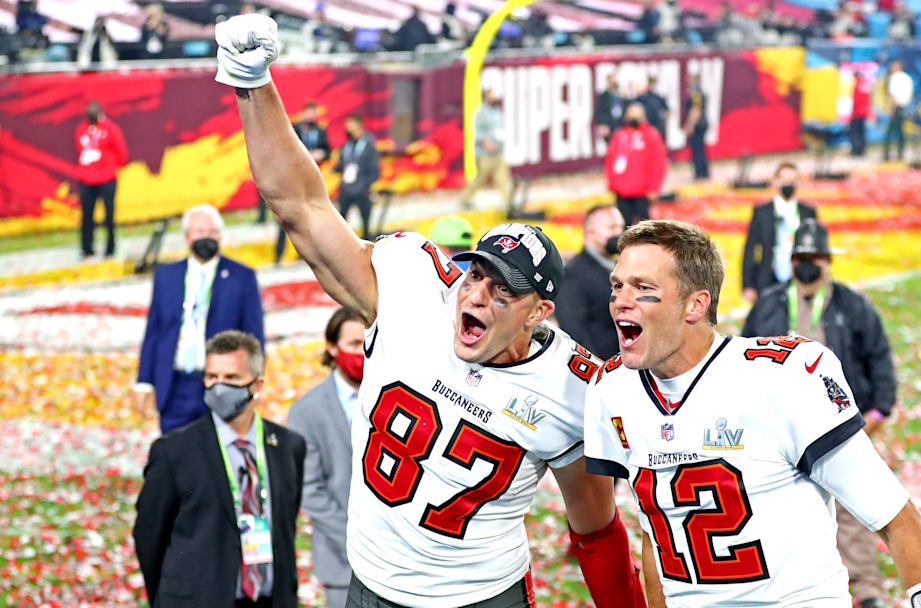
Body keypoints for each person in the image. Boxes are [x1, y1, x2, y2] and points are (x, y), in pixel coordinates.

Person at [213, 14, 647, 608]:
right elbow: (303, 209)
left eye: (503, 292)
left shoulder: (571, 387)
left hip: (482, 594)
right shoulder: (413, 288)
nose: (476, 295)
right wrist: (251, 82)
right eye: (477, 275)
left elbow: (595, 527)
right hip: (371, 582)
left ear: (538, 312)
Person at [585, 219, 921, 608]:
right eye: (618, 285)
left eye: (643, 287)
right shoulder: (613, 389)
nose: (620, 300)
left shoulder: (782, 379)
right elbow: (657, 531)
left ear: (696, 304)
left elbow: (896, 519)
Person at [742, 218, 897, 608]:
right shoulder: (770, 303)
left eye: (815, 258)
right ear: (791, 261)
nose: (808, 265)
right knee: (779, 506)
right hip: (777, 426)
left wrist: (879, 410)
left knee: (851, 506)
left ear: (828, 261)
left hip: (839, 422)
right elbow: (741, 357)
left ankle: (867, 590)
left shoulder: (853, 304)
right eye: (802, 257)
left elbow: (878, 357)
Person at [134, 330, 306, 608]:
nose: (219, 387)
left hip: (269, 599)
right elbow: (149, 535)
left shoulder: (288, 446)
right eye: (212, 377)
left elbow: (285, 527)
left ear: (257, 384)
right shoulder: (174, 452)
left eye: (231, 378)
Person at [136, 204, 265, 432]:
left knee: (219, 458)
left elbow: (253, 334)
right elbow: (154, 330)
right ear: (187, 237)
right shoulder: (166, 276)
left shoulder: (241, 276)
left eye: (213, 232)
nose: (207, 237)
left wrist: (254, 380)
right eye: (200, 232)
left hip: (223, 385)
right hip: (174, 385)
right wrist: (144, 382)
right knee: (175, 457)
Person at [288, 309, 366, 608]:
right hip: (342, 561)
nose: (361, 352)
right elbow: (310, 490)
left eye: (366, 343)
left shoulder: (395, 396)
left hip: (402, 558)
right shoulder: (306, 412)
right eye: (353, 344)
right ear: (332, 347)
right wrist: (361, 541)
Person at [554, 205, 625, 361]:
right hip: (604, 369)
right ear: (590, 233)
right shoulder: (572, 274)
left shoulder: (618, 267)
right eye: (612, 227)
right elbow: (574, 332)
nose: (618, 233)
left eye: (620, 227)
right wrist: (601, 372)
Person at [741, 161, 817, 304]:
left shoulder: (808, 212)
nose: (788, 184)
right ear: (775, 182)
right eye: (784, 180)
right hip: (767, 279)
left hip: (800, 280)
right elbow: (750, 248)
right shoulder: (762, 212)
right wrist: (748, 284)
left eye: (792, 180)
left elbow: (817, 249)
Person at [276, 101, 331, 264]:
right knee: (285, 218)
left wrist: (322, 154)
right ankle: (279, 255)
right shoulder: (294, 128)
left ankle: (304, 256)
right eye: (309, 112)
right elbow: (285, 149)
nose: (311, 116)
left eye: (314, 113)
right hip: (292, 179)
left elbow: (328, 150)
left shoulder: (319, 131)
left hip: (311, 180)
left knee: (308, 219)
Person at [75, 100, 128, 260]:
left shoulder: (111, 128)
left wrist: (108, 165)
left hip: (107, 178)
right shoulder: (81, 129)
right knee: (87, 217)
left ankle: (110, 248)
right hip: (86, 179)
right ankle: (87, 249)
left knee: (109, 216)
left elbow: (122, 152)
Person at [605, 102, 667, 227]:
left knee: (644, 227)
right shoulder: (620, 135)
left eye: (637, 115)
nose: (634, 118)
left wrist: (654, 187)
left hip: (642, 190)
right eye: (631, 114)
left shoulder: (651, 135)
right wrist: (612, 183)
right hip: (622, 190)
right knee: (623, 225)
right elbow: (610, 159)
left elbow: (658, 163)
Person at [460, 88, 512, 211]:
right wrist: (486, 143)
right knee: (481, 179)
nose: (494, 97)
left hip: (498, 153)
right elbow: (478, 132)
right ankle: (465, 199)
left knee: (503, 178)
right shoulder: (482, 112)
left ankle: (508, 203)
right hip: (485, 154)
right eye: (491, 95)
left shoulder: (497, 111)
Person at [335, 115, 379, 240]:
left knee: (365, 224)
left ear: (358, 125)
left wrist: (365, 186)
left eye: (350, 124)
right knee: (341, 222)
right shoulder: (347, 144)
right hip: (347, 189)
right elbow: (342, 164)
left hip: (362, 190)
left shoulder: (368, 145)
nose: (346, 127)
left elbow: (374, 169)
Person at [883, 59, 913, 162]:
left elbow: (893, 96)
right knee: (901, 132)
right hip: (904, 107)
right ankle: (900, 155)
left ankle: (887, 155)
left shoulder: (894, 78)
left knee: (889, 133)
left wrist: (892, 110)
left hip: (896, 107)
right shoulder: (908, 78)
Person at [683, 73, 709, 179]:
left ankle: (700, 173)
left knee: (697, 149)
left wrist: (690, 125)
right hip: (701, 123)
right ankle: (703, 172)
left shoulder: (695, 92)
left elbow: (696, 109)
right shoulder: (698, 91)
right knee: (700, 149)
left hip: (698, 124)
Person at [636, 76, 669, 145]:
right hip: (644, 127)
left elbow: (666, 111)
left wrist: (662, 123)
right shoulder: (641, 98)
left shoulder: (659, 98)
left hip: (657, 127)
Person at [595, 73, 625, 146]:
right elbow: (600, 111)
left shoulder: (622, 95)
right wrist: (603, 124)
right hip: (610, 126)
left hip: (622, 126)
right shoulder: (603, 97)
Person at [849, 68, 873, 157]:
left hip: (856, 112)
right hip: (863, 112)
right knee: (861, 132)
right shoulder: (864, 84)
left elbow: (855, 100)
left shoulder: (857, 84)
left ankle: (856, 151)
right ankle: (861, 150)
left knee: (855, 132)